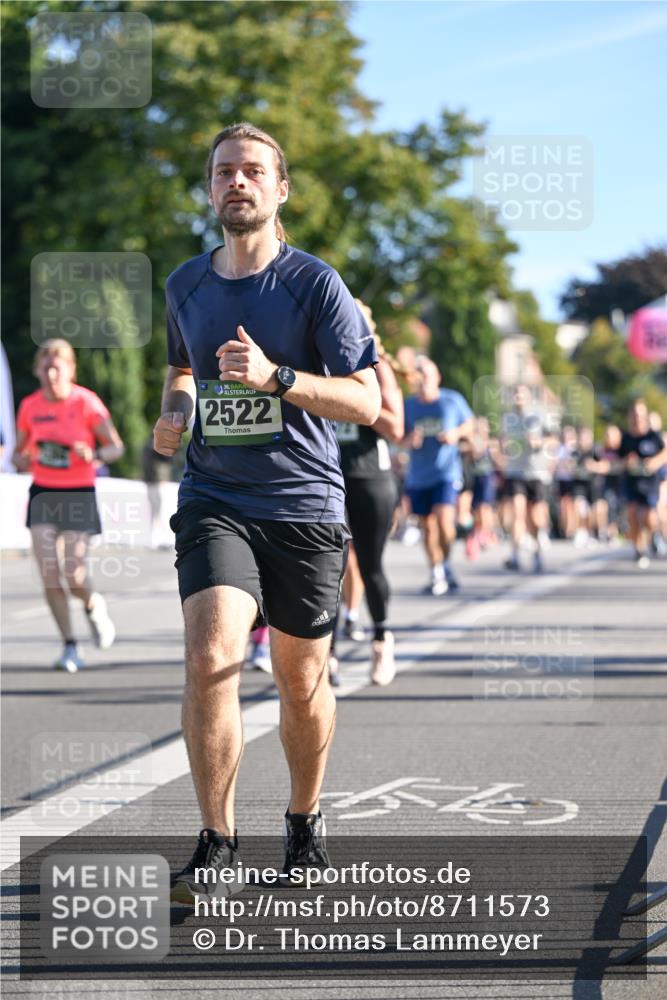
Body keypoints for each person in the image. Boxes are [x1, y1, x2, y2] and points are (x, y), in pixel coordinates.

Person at [153, 122, 380, 902]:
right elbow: (181, 365)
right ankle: (216, 841)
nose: (236, 183)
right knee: (211, 652)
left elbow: (367, 400)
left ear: (280, 190)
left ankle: (304, 818)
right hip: (215, 496)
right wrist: (174, 411)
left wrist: (277, 378)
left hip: (304, 505)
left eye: (253, 171)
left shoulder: (316, 285)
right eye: (223, 172)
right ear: (210, 188)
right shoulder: (184, 282)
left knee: (299, 680)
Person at [12, 339, 124, 672]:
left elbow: (115, 447)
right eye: (45, 368)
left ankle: (91, 604)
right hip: (44, 493)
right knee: (49, 574)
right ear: (37, 372)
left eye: (57, 368)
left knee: (74, 574)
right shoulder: (30, 406)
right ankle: (70, 645)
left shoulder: (87, 403)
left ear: (70, 370)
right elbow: (19, 456)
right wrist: (23, 458)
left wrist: (95, 455)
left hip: (79, 493)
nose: (50, 375)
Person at [329, 300, 404, 688]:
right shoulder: (319, 359)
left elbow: (396, 426)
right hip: (326, 477)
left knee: (370, 565)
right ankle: (328, 655)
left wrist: (356, 403)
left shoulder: (377, 366)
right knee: (330, 569)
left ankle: (381, 639)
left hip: (369, 477)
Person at [402, 356, 474, 595]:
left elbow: (470, 425)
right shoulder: (408, 405)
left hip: (446, 472)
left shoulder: (452, 400)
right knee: (427, 527)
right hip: (418, 475)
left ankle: (446, 562)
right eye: (418, 374)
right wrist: (408, 441)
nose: (422, 379)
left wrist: (456, 433)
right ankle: (436, 571)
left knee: (444, 521)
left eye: (426, 374)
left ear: (437, 377)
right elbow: (397, 436)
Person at [500, 384, 553, 573]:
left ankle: (537, 552)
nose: (519, 397)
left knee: (535, 518)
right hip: (515, 472)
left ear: (529, 396)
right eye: (516, 394)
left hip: (536, 472)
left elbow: (553, 439)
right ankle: (514, 556)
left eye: (522, 394)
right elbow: (502, 442)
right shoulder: (508, 418)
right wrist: (504, 450)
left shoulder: (540, 415)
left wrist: (539, 443)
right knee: (518, 512)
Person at [618, 399, 667, 568]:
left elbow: (664, 453)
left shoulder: (653, 436)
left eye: (640, 414)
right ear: (630, 416)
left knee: (649, 519)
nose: (637, 418)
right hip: (632, 482)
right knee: (632, 513)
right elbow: (619, 461)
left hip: (650, 483)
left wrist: (654, 462)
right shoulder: (626, 438)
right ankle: (639, 550)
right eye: (634, 414)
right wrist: (627, 462)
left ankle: (654, 535)